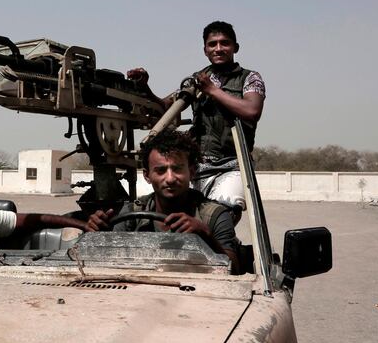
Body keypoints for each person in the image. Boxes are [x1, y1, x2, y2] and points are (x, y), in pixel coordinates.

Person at [128, 20, 265, 213]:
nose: (218, 48)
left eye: (224, 43)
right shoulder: (197, 79)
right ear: (205, 50)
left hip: (233, 166)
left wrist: (212, 90)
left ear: (236, 47)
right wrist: (145, 89)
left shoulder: (250, 78)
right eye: (212, 44)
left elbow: (251, 111)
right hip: (197, 167)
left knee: (222, 214)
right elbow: (166, 108)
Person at [85, 130, 239, 273]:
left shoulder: (214, 216)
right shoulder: (132, 215)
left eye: (177, 169)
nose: (170, 179)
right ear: (147, 176)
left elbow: (235, 269)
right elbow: (109, 262)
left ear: (191, 172)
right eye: (161, 170)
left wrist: (205, 235)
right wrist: (98, 235)